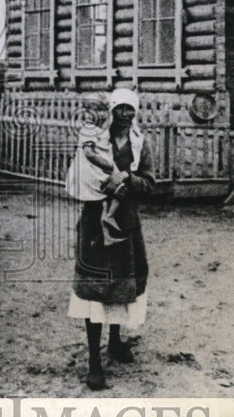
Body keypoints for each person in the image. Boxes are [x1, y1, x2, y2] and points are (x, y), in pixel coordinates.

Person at [67, 87, 154, 391]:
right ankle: (94, 362)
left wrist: (128, 178)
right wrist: (107, 184)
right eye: (120, 109)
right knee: (95, 287)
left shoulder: (140, 143)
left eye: (131, 109)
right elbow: (84, 170)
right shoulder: (95, 137)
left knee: (121, 283)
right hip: (94, 220)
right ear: (111, 111)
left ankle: (115, 341)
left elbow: (150, 182)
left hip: (126, 223)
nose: (126, 115)